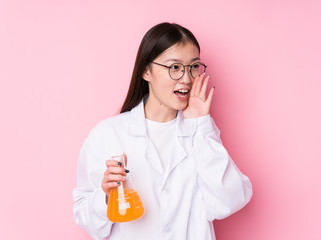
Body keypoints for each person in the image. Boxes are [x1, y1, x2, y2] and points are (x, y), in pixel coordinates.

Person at [73, 22, 252, 240]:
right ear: (146, 71)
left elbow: (228, 201)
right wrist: (106, 195)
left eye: (194, 66)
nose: (186, 78)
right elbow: (85, 216)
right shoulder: (108, 134)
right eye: (174, 67)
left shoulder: (201, 130)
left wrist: (200, 126)